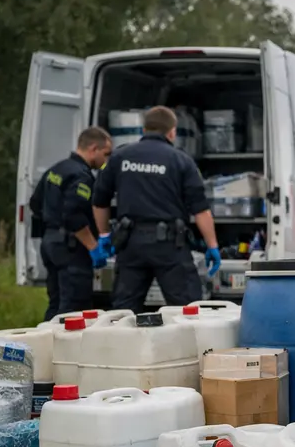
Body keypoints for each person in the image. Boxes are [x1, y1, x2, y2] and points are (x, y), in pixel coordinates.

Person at [92, 105, 221, 311]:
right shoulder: (181, 161)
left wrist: (104, 234)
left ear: (144, 130)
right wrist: (212, 245)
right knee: (186, 310)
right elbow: (201, 211)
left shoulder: (119, 157)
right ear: (172, 132)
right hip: (169, 247)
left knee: (122, 312)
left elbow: (99, 201)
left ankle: (120, 344)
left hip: (130, 245)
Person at [29, 127, 113, 320]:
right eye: (106, 154)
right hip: (70, 249)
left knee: (56, 303)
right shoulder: (81, 176)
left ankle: (48, 345)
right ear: (93, 149)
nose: (106, 161)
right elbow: (73, 216)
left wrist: (53, 223)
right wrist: (93, 247)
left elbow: (35, 203)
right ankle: (65, 348)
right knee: (74, 308)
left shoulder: (56, 169)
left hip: (50, 243)